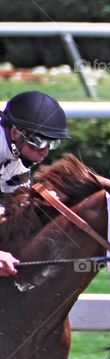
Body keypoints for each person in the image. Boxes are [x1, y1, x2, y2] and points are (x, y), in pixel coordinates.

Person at [0, 90, 70, 276]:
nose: (45, 152)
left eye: (51, 144)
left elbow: (15, 208)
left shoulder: (17, 155)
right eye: (39, 143)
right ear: (15, 133)